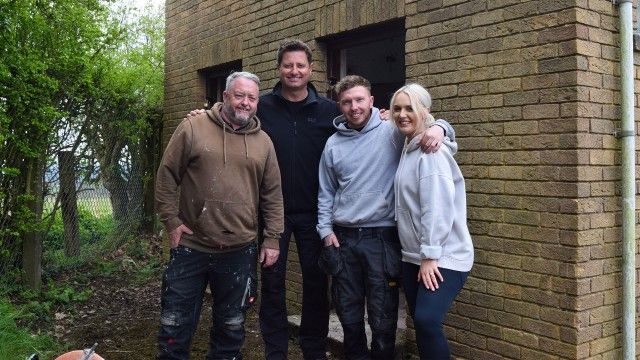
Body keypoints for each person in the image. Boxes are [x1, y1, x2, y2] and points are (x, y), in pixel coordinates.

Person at [187, 39, 449, 360]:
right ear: (279, 69)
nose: (294, 71)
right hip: (272, 214)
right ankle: (276, 352)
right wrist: (207, 112)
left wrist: (440, 127)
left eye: (300, 65)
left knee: (316, 288)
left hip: (315, 215)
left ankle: (313, 351)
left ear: (311, 69)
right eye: (288, 65)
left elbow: (411, 124)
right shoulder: (264, 106)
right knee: (273, 287)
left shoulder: (330, 110)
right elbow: (233, 112)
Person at [316, 75, 455, 360]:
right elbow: (326, 191)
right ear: (339, 106)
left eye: (359, 100)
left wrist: (441, 128)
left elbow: (426, 122)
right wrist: (324, 229)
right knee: (348, 311)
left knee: (383, 316)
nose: (354, 107)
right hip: (343, 239)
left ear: (371, 101)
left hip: (381, 238)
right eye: (346, 102)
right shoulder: (332, 144)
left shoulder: (392, 130)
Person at [155, 71, 284, 360]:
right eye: (239, 95)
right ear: (225, 96)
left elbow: (272, 195)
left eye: (251, 98)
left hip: (240, 251)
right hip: (191, 249)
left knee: (231, 328)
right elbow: (166, 177)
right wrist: (171, 222)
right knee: (174, 325)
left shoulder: (264, 142)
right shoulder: (193, 127)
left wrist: (272, 238)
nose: (245, 103)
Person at [390, 84, 474, 359]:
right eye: (397, 108)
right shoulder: (408, 145)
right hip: (415, 255)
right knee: (421, 322)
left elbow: (436, 209)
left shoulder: (430, 153)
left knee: (427, 320)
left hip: (441, 256)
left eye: (409, 108)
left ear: (425, 111)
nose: (402, 114)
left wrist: (430, 256)